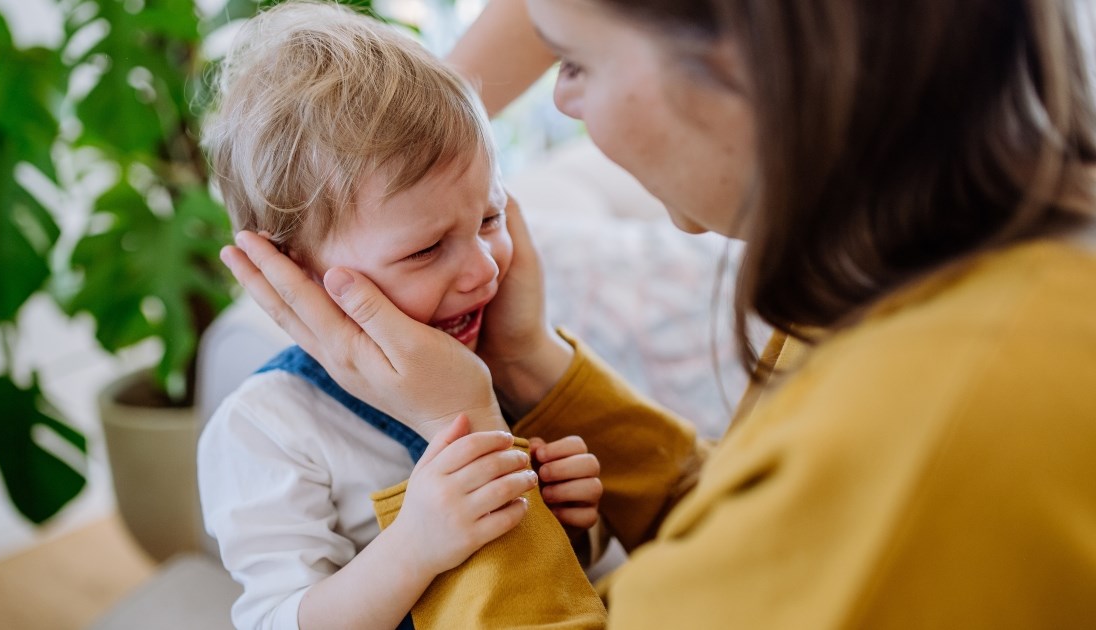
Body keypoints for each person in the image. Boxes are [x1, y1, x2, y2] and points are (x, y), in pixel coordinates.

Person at [221, 0, 1096, 626]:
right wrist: (531, 377)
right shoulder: (913, 288)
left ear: (744, 59)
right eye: (422, 247)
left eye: (576, 60)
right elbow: (738, 536)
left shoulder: (930, 421)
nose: (560, 99)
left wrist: (469, 436)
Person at [197, 3, 607, 629]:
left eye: (488, 220)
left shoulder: (487, 351)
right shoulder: (267, 428)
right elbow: (278, 620)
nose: (484, 272)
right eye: (423, 250)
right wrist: (413, 547)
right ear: (293, 271)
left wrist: (577, 526)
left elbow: (560, 581)